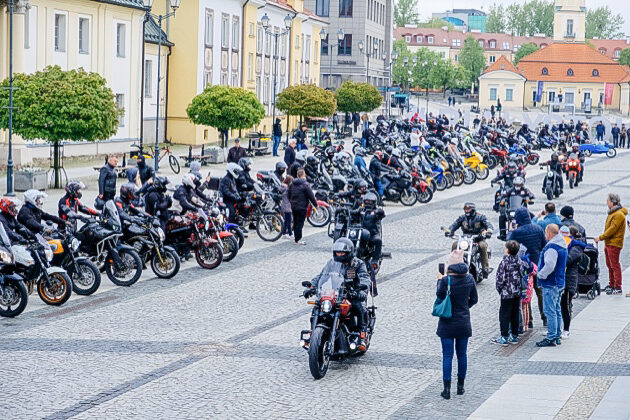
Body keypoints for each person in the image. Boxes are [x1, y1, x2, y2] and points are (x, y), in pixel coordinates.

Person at [305, 238, 370, 350]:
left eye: (342, 253)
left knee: (360, 307)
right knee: (317, 307)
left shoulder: (358, 264)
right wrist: (312, 286)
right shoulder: (331, 263)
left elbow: (365, 278)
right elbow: (322, 276)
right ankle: (313, 335)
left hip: (352, 294)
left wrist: (362, 291)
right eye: (337, 252)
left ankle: (362, 336)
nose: (340, 255)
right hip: (336, 294)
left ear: (350, 253)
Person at [436, 247, 478, 399]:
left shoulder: (446, 280)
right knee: (462, 355)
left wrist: (439, 281)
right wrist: (465, 308)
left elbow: (439, 296)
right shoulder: (470, 279)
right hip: (463, 322)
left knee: (447, 356)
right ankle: (460, 387)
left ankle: (446, 390)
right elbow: (474, 299)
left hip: (447, 322)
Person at [507, 208, 547, 328]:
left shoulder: (516, 232)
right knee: (540, 292)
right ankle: (545, 318)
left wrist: (510, 231)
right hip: (537, 264)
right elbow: (544, 245)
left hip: (523, 267)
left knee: (526, 293)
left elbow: (510, 246)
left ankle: (528, 321)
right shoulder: (538, 229)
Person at [536, 224, 568, 347]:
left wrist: (540, 275)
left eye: (545, 233)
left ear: (549, 233)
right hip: (560, 282)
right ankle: (558, 334)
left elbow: (549, 265)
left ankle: (551, 337)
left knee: (550, 311)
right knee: (557, 309)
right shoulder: (562, 245)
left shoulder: (552, 248)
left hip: (551, 283)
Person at [493, 240, 528, 346]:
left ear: (507, 250)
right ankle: (514, 335)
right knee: (515, 313)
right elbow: (524, 272)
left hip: (506, 293)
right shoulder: (519, 261)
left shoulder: (504, 262)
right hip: (517, 292)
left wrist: (500, 289)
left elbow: (500, 279)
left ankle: (504, 337)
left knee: (504, 314)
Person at [446, 203, 493, 277]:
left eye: (468, 209)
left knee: (482, 246)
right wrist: (449, 231)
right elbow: (454, 225)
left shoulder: (481, 217)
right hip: (465, 239)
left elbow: (488, 225)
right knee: (455, 245)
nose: (467, 211)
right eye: (465, 209)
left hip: (478, 238)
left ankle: (485, 268)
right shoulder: (462, 218)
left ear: (473, 209)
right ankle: (452, 266)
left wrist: (489, 232)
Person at [594, 193, 627, 295]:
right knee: (609, 265)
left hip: (614, 243)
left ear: (612, 202)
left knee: (614, 265)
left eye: (608, 201)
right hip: (609, 243)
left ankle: (617, 286)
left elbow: (612, 229)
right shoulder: (613, 213)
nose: (607, 203)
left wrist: (601, 237)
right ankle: (612, 284)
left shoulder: (618, 214)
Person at [562, 226, 586, 339]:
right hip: (563, 279)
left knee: (565, 305)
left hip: (569, 280)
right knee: (560, 305)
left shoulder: (576, 247)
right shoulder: (569, 245)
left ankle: (566, 329)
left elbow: (567, 260)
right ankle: (558, 328)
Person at [288, 169, 317, 245]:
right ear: (303, 175)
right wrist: (315, 204)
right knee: (300, 223)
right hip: (302, 206)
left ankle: (295, 238)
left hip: (293, 206)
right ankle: (298, 240)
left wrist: (291, 201)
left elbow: (288, 194)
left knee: (296, 221)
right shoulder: (305, 184)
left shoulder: (292, 184)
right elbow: (311, 196)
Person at [356, 192, 385, 267]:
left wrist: (380, 212)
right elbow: (353, 213)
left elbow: (382, 214)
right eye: (367, 201)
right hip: (361, 233)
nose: (368, 203)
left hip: (373, 233)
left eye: (370, 202)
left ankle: (375, 259)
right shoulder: (361, 210)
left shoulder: (376, 211)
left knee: (378, 241)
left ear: (374, 202)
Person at [280, 175, 294, 239]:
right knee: (289, 220)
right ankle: (290, 234)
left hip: (285, 205)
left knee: (286, 220)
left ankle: (284, 233)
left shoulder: (284, 187)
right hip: (287, 206)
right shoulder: (287, 189)